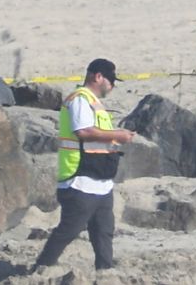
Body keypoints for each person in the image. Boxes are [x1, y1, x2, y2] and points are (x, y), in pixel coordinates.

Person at [33, 58, 137, 272]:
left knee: (104, 231)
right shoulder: (80, 99)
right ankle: (41, 268)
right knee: (70, 229)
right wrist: (118, 135)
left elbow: (98, 137)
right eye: (111, 80)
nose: (112, 86)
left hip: (101, 181)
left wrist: (116, 137)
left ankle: (104, 273)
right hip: (80, 179)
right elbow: (84, 131)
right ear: (98, 76)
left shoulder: (94, 103)